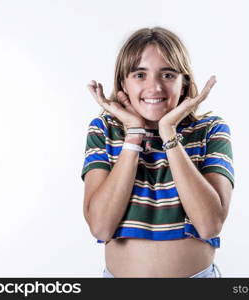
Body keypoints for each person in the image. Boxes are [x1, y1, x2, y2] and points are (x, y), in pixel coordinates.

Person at [81, 27, 234, 278]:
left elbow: (209, 226)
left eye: (168, 74)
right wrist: (133, 135)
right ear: (123, 83)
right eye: (140, 74)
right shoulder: (105, 130)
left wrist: (169, 133)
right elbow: (100, 228)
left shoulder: (211, 130)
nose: (155, 87)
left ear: (184, 82)